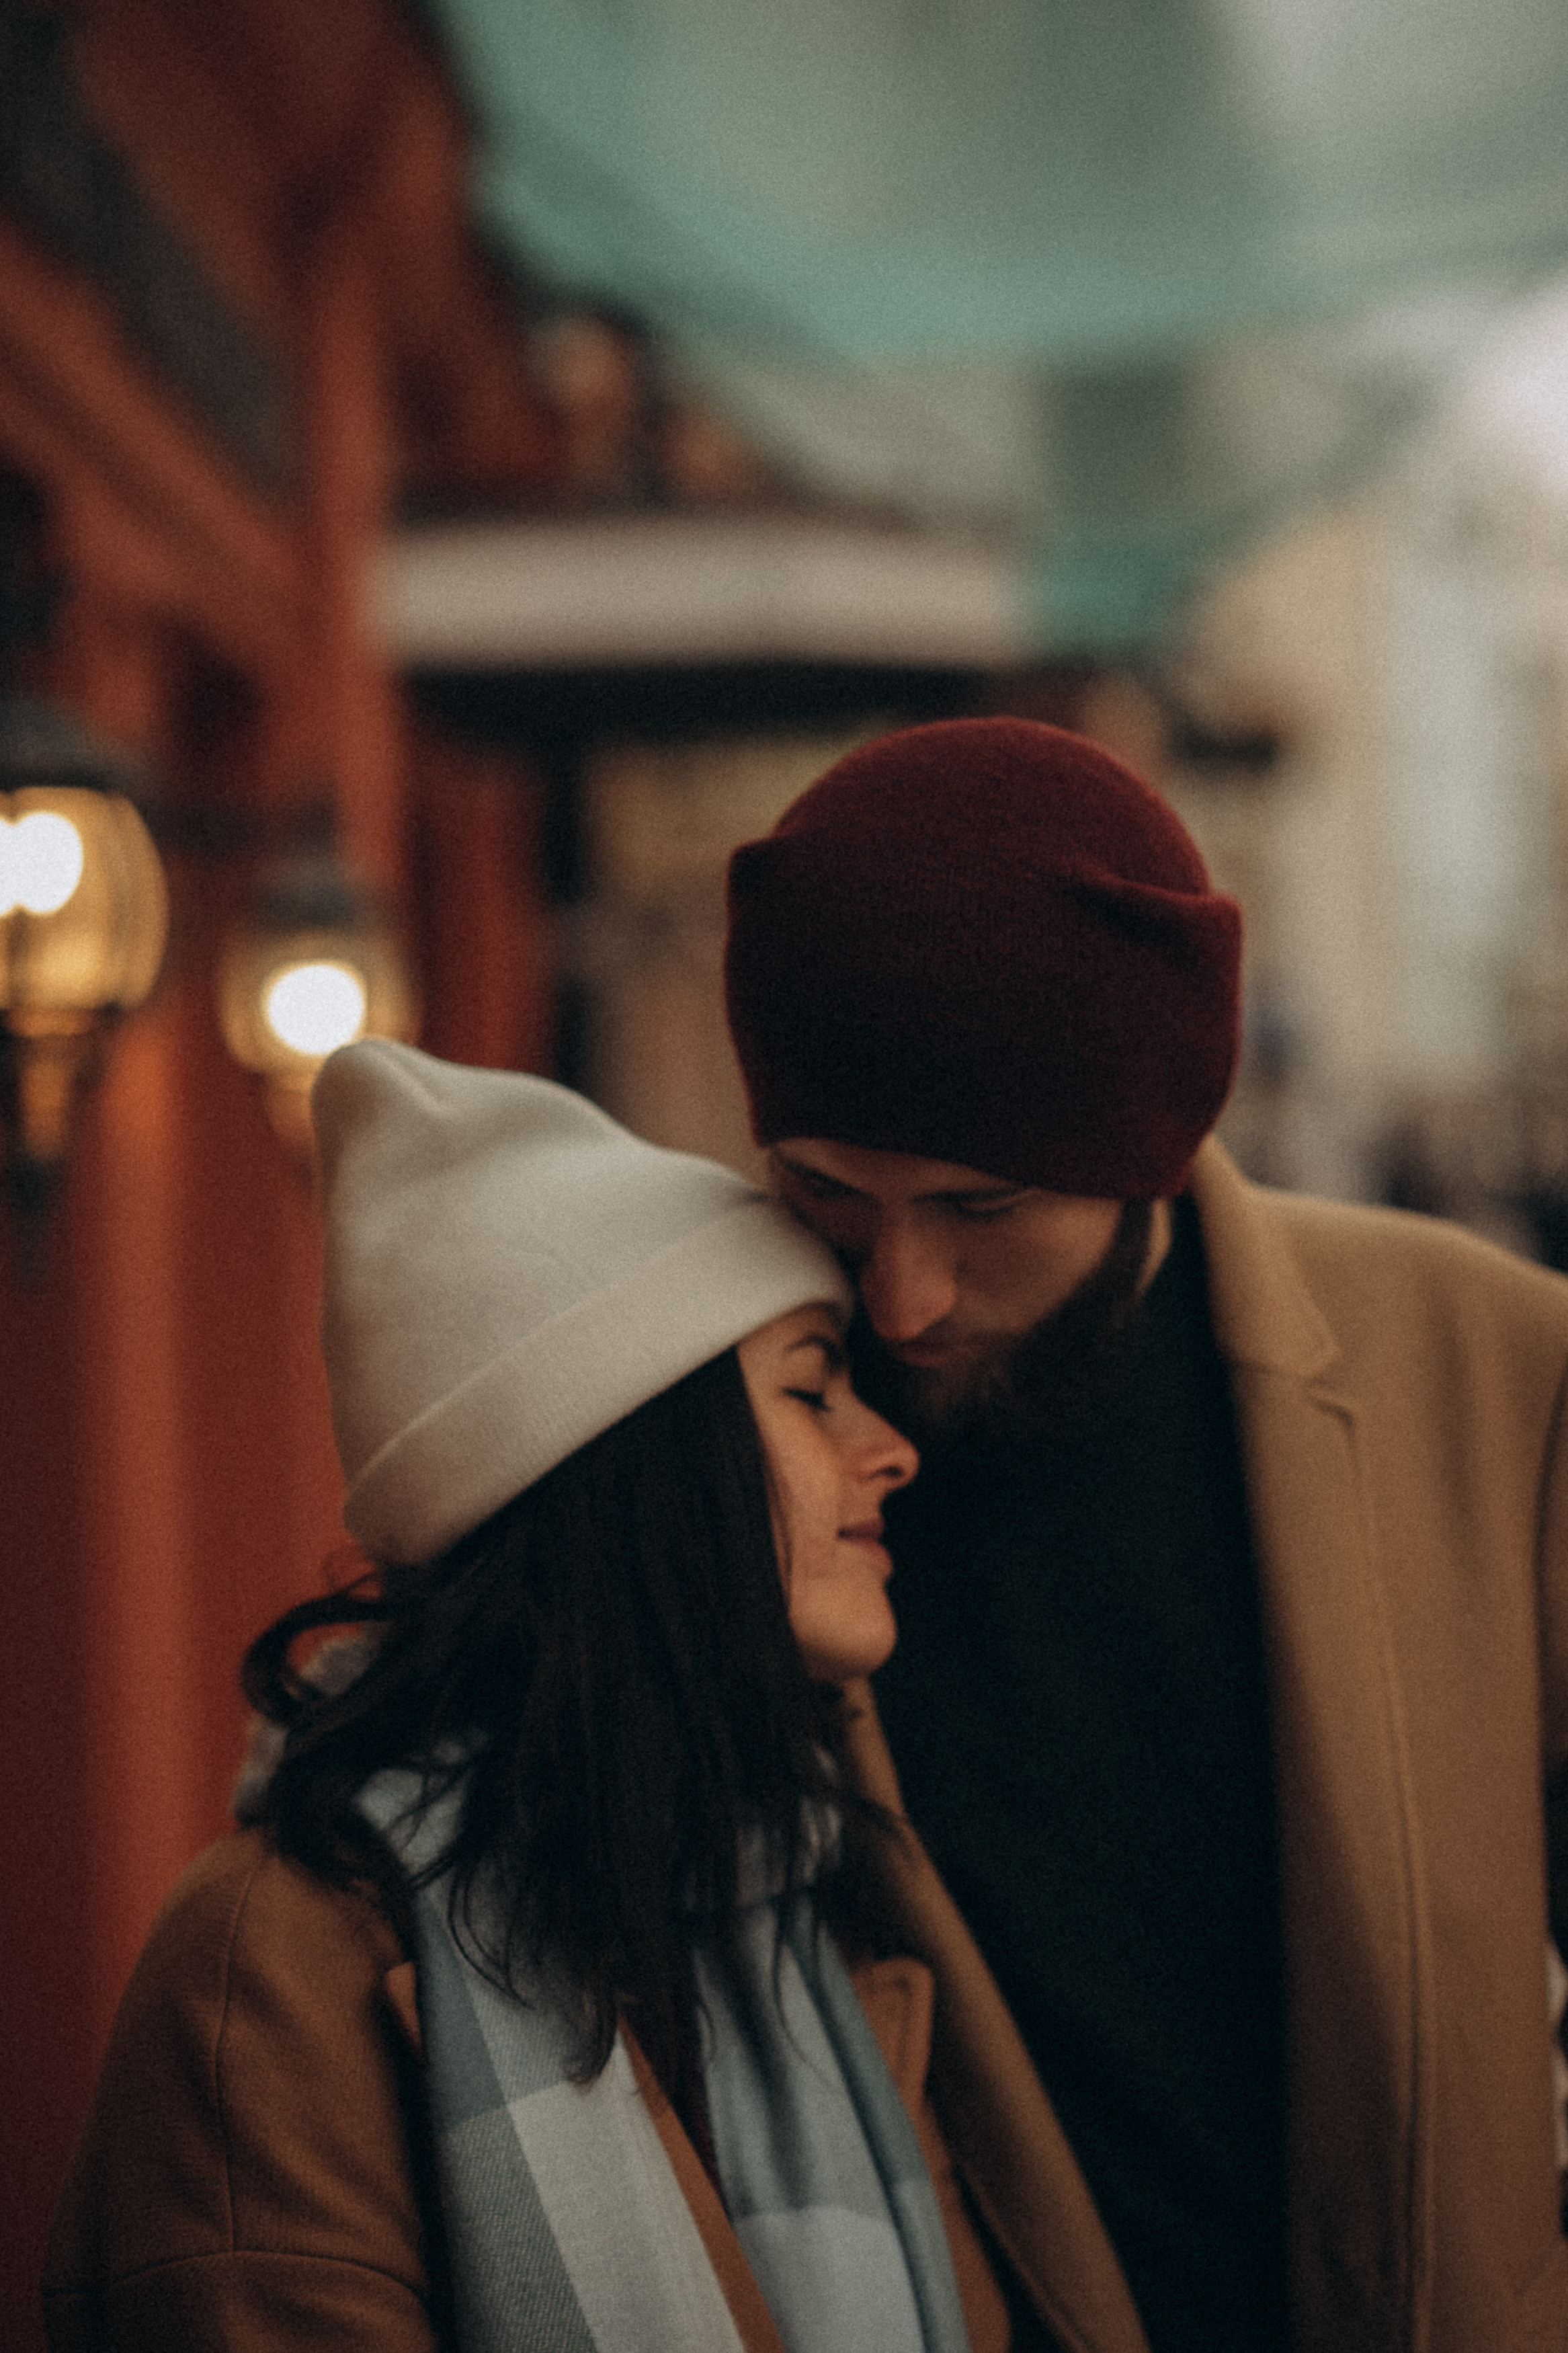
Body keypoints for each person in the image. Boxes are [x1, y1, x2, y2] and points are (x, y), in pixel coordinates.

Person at [723, 715, 1568, 2353]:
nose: (902, 1295)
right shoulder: (714, 1425)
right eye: (830, 1193)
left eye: (983, 1209)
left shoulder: (1491, 1372)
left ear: (1154, 1154)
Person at [43, 1040, 1022, 2353]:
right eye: (810, 1387)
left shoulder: (809, 1930)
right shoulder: (268, 1969)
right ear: (628, 1469)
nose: (888, 1448)